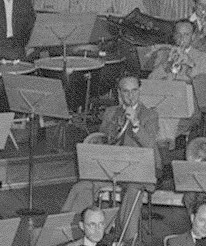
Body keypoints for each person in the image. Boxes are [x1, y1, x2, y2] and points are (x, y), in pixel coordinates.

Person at [62, 74, 160, 213]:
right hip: (112, 170)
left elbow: (150, 145)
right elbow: (102, 141)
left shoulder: (150, 115)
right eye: (126, 91)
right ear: (119, 93)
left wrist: (136, 124)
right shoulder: (111, 112)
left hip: (140, 172)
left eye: (134, 90)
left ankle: (128, 235)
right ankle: (71, 227)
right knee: (81, 187)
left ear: (140, 91)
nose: (130, 95)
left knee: (132, 191)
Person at [148, 19, 206, 84]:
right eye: (178, 34)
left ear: (193, 36)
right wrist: (166, 65)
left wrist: (190, 64)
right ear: (174, 36)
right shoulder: (162, 53)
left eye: (186, 34)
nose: (181, 38)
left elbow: (204, 82)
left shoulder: (203, 57)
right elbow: (150, 80)